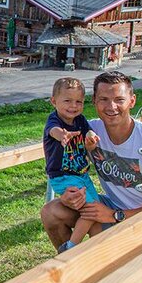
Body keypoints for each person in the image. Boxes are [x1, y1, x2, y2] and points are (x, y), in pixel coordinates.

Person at [39, 71, 142, 251]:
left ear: (132, 101)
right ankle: (71, 259)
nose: (111, 107)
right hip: (109, 206)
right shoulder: (89, 131)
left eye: (119, 99)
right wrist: (68, 196)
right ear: (94, 101)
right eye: (103, 99)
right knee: (51, 212)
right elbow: (58, 147)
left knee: (101, 236)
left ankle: (100, 257)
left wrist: (116, 215)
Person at [43, 78, 101, 253]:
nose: (73, 106)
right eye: (67, 101)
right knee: (91, 210)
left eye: (79, 102)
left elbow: (88, 131)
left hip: (81, 175)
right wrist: (62, 135)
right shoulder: (55, 120)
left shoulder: (80, 120)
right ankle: (71, 247)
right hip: (64, 176)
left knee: (96, 212)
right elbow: (53, 131)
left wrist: (91, 137)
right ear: (54, 101)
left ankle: (97, 250)